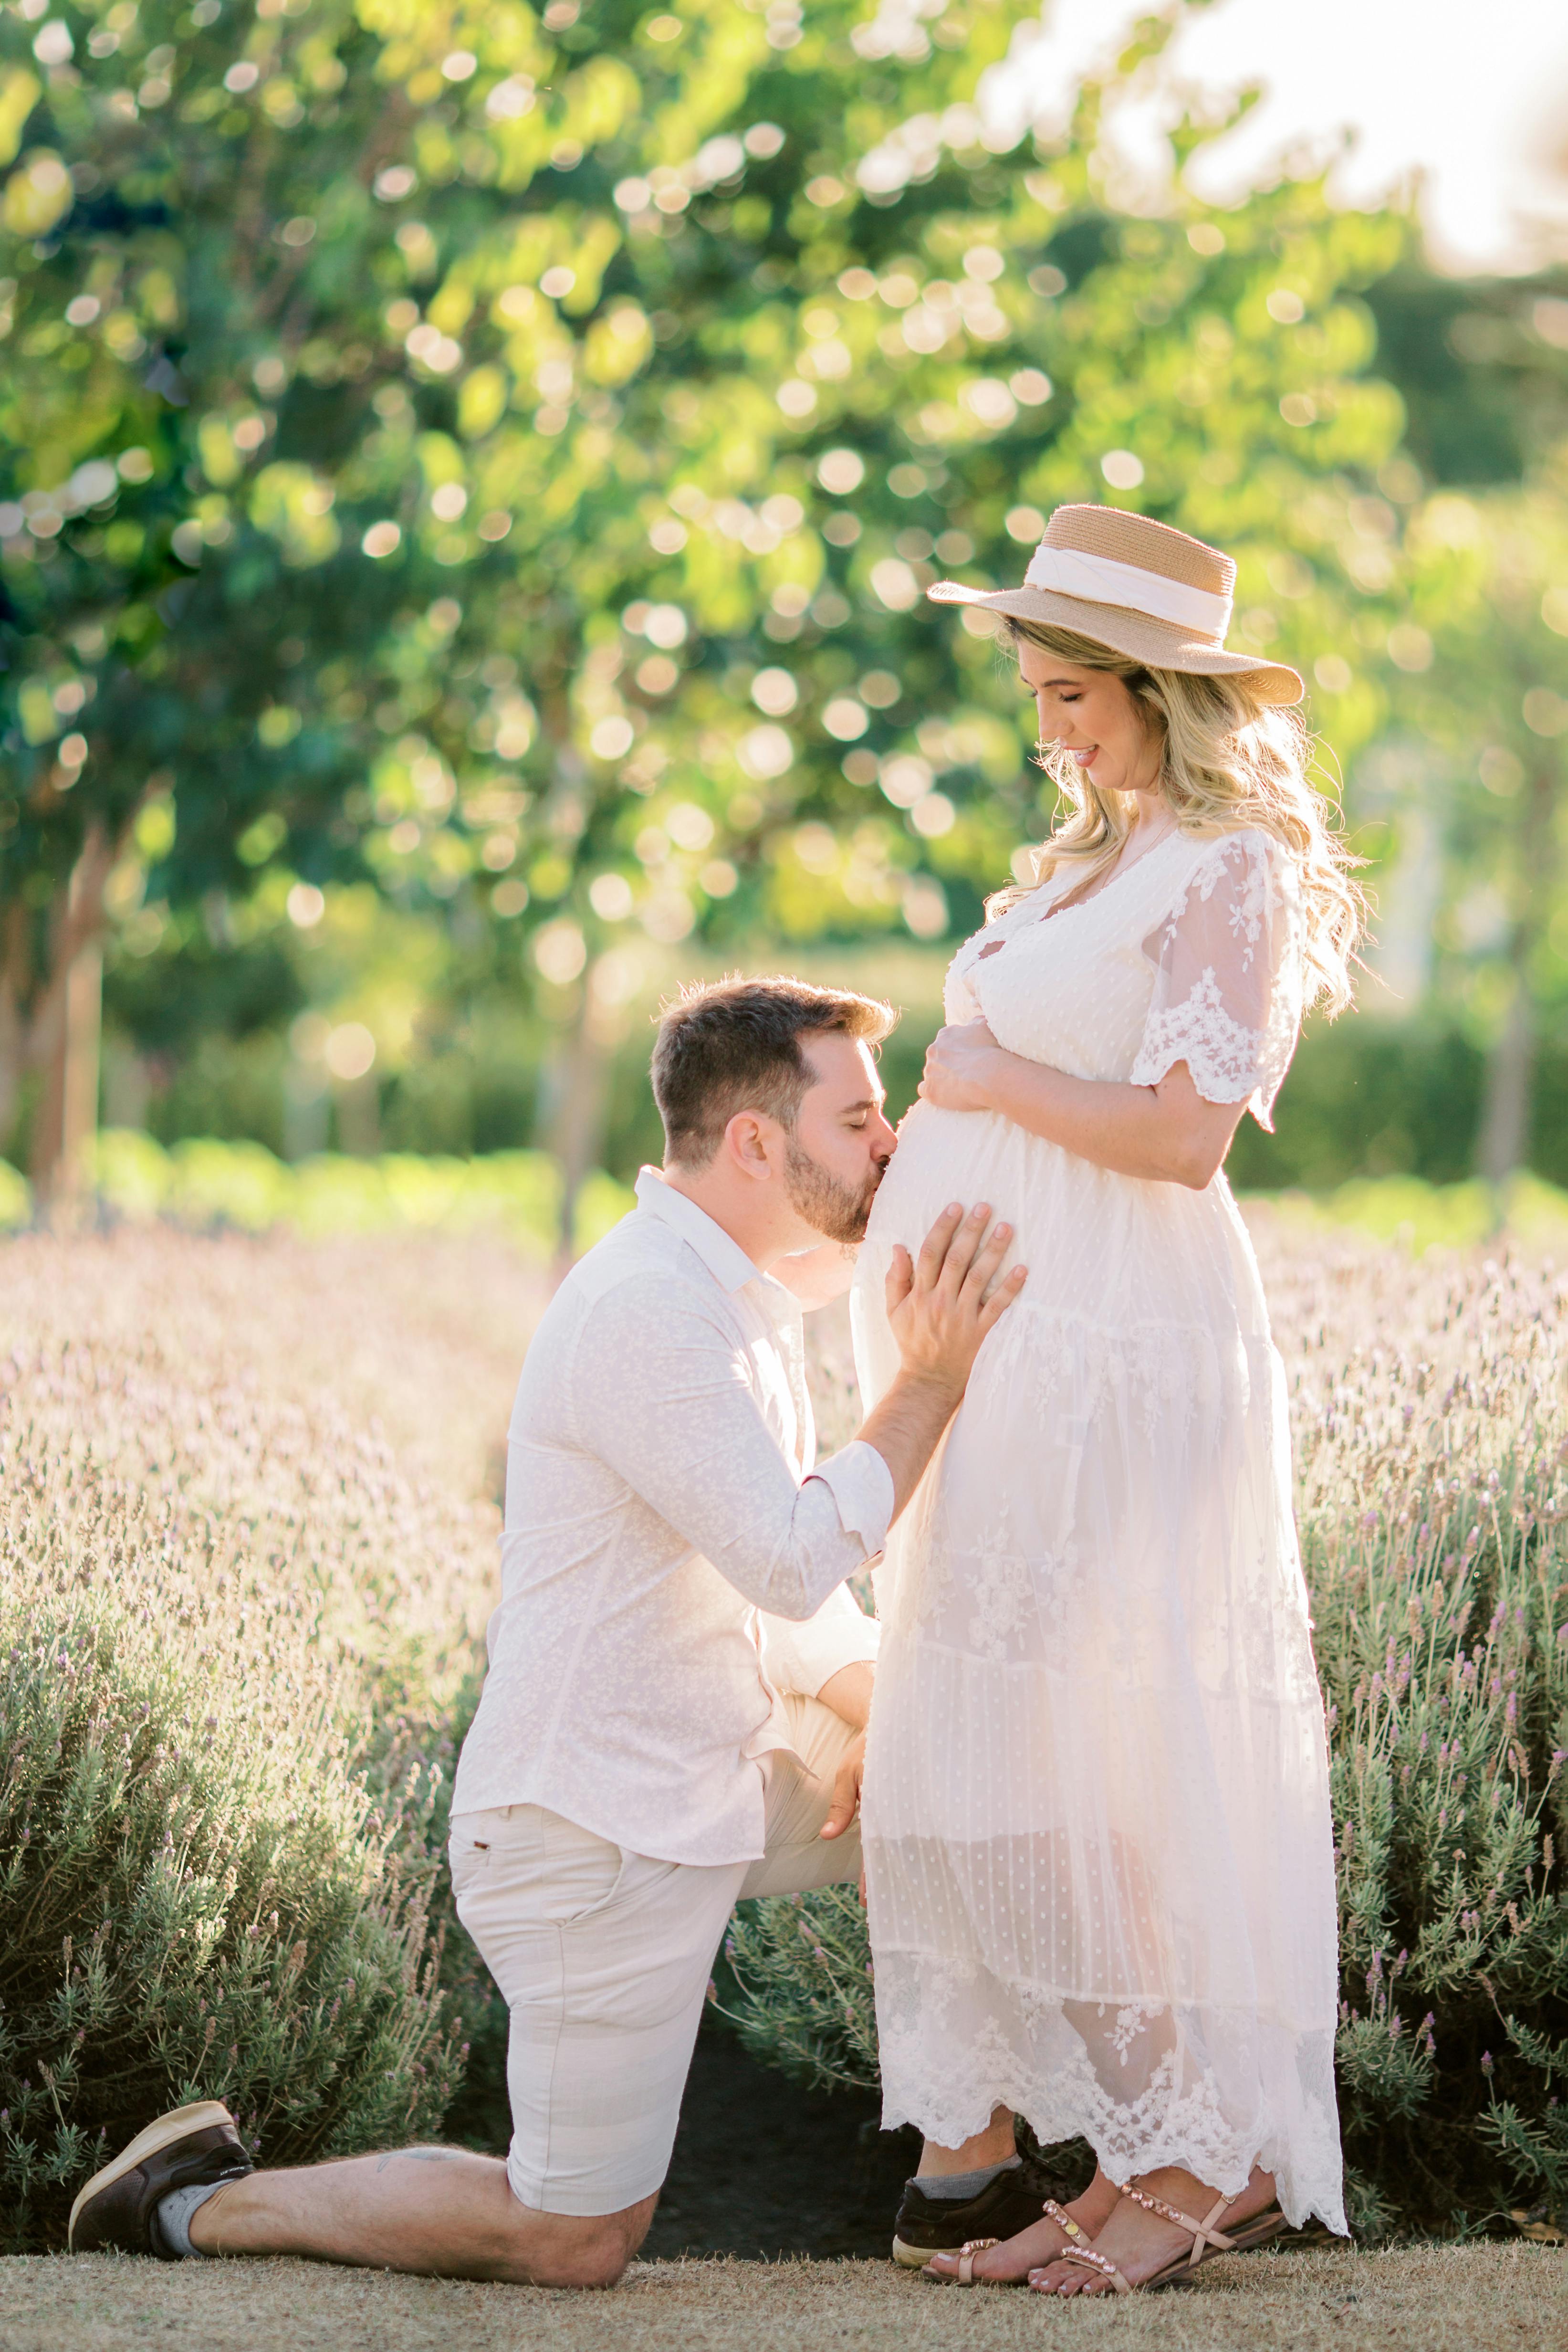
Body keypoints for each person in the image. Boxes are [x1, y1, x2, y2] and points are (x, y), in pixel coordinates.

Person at [69, 975, 1026, 2289]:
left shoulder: (734, 1301)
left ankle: (963, 2182)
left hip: (715, 1773)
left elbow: (777, 1613)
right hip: (588, 1828)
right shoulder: (646, 1311)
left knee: (955, 1758)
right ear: (756, 1142)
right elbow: (796, 1559)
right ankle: (196, 2200)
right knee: (574, 2236)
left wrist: (886, 1718)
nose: (891, 1147)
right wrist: (930, 1381)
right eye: (860, 1119)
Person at [853, 504, 1359, 2294]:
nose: (1050, 726)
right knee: (975, 1745)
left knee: (1078, 1752)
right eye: (1036, 693)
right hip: (1002, 1361)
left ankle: (1188, 2150)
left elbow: (1181, 1132)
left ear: (1166, 691)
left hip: (1125, 1360)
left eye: (1076, 693)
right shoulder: (1080, 863)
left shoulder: (1228, 870)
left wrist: (983, 1069)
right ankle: (1090, 2148)